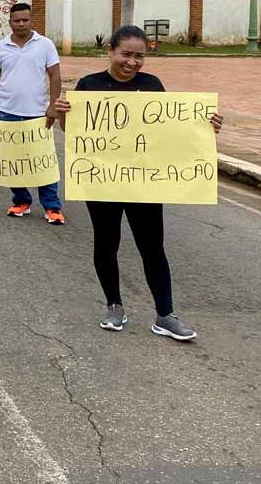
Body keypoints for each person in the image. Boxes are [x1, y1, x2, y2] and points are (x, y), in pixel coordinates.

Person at [53, 25, 223, 341]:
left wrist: (205, 126)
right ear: (111, 52)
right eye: (126, 54)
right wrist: (63, 114)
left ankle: (165, 315)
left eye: (140, 56)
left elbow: (169, 130)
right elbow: (74, 133)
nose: (132, 62)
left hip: (143, 181)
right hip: (102, 181)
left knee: (152, 247)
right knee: (106, 243)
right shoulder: (89, 85)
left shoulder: (152, 85)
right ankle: (114, 306)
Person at [0, 3, 65, 225]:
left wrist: (53, 107)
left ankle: (52, 206)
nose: (21, 24)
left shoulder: (45, 45)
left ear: (31, 21)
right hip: (7, 113)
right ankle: (21, 201)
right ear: (9, 22)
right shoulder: (1, 47)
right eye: (17, 20)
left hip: (38, 114)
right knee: (13, 161)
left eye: (25, 20)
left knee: (43, 161)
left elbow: (55, 77)